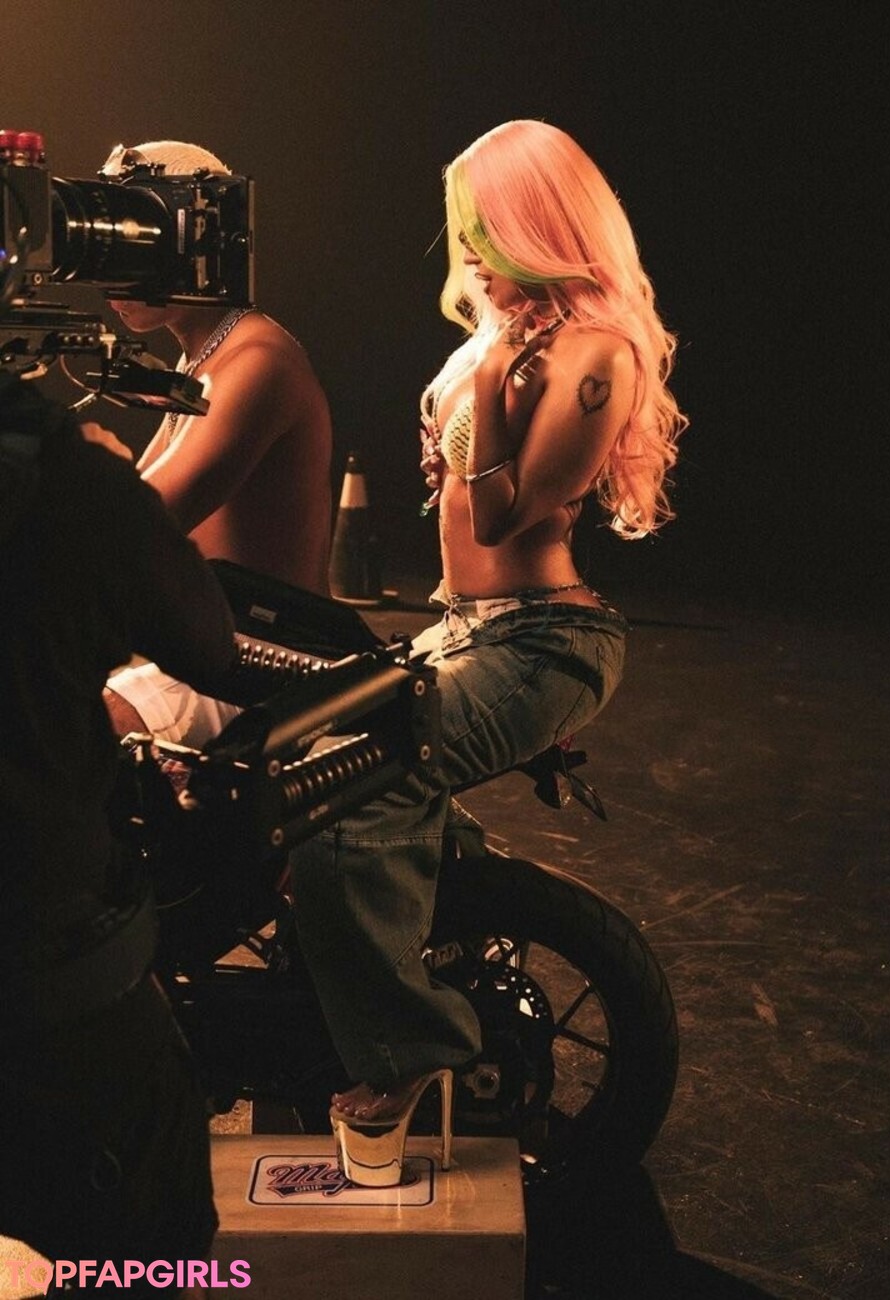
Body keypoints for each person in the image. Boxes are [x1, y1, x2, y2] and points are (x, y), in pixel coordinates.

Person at [287, 119, 688, 1184]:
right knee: (303, 760)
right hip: (466, 623)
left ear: (534, 227)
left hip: (546, 638)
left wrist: (482, 391)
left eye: (481, 229)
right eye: (461, 230)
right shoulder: (508, 342)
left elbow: (507, 513)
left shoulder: (597, 354)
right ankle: (456, 935)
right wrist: (485, 382)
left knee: (356, 798)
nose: (466, 252)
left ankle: (413, 1046)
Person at [0, 369, 238, 1294]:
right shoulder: (59, 476)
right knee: (153, 1254)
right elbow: (206, 643)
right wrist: (107, 478)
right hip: (46, 982)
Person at [85, 140, 333, 745]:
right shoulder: (202, 359)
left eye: (135, 242)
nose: (111, 273)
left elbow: (142, 524)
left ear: (193, 240)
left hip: (267, 662)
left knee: (58, 727)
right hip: (208, 646)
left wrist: (74, 461)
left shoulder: (257, 361)